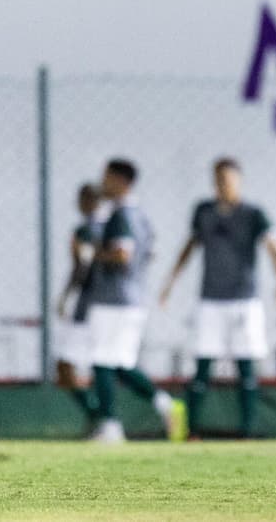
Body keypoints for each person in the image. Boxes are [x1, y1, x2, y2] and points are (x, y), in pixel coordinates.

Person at [159, 157, 276, 439]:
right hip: (210, 299)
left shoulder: (254, 214)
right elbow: (190, 246)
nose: (222, 185)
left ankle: (247, 431)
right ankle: (190, 430)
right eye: (218, 180)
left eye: (228, 180)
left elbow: (273, 248)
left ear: (239, 181)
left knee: (246, 364)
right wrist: (170, 282)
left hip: (244, 299)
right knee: (203, 363)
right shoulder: (203, 211)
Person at [88, 158, 186, 443]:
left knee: (102, 360)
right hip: (133, 297)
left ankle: (110, 426)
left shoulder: (121, 215)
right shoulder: (141, 216)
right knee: (120, 363)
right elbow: (151, 253)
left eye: (107, 177)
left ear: (120, 181)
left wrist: (91, 253)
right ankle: (166, 404)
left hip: (113, 299)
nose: (102, 183)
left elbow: (122, 254)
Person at [55, 183, 103, 429]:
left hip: (88, 307)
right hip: (112, 306)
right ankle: (102, 418)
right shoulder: (111, 226)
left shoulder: (85, 232)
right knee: (106, 364)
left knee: (65, 366)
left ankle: (99, 416)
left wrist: (65, 297)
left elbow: (81, 267)